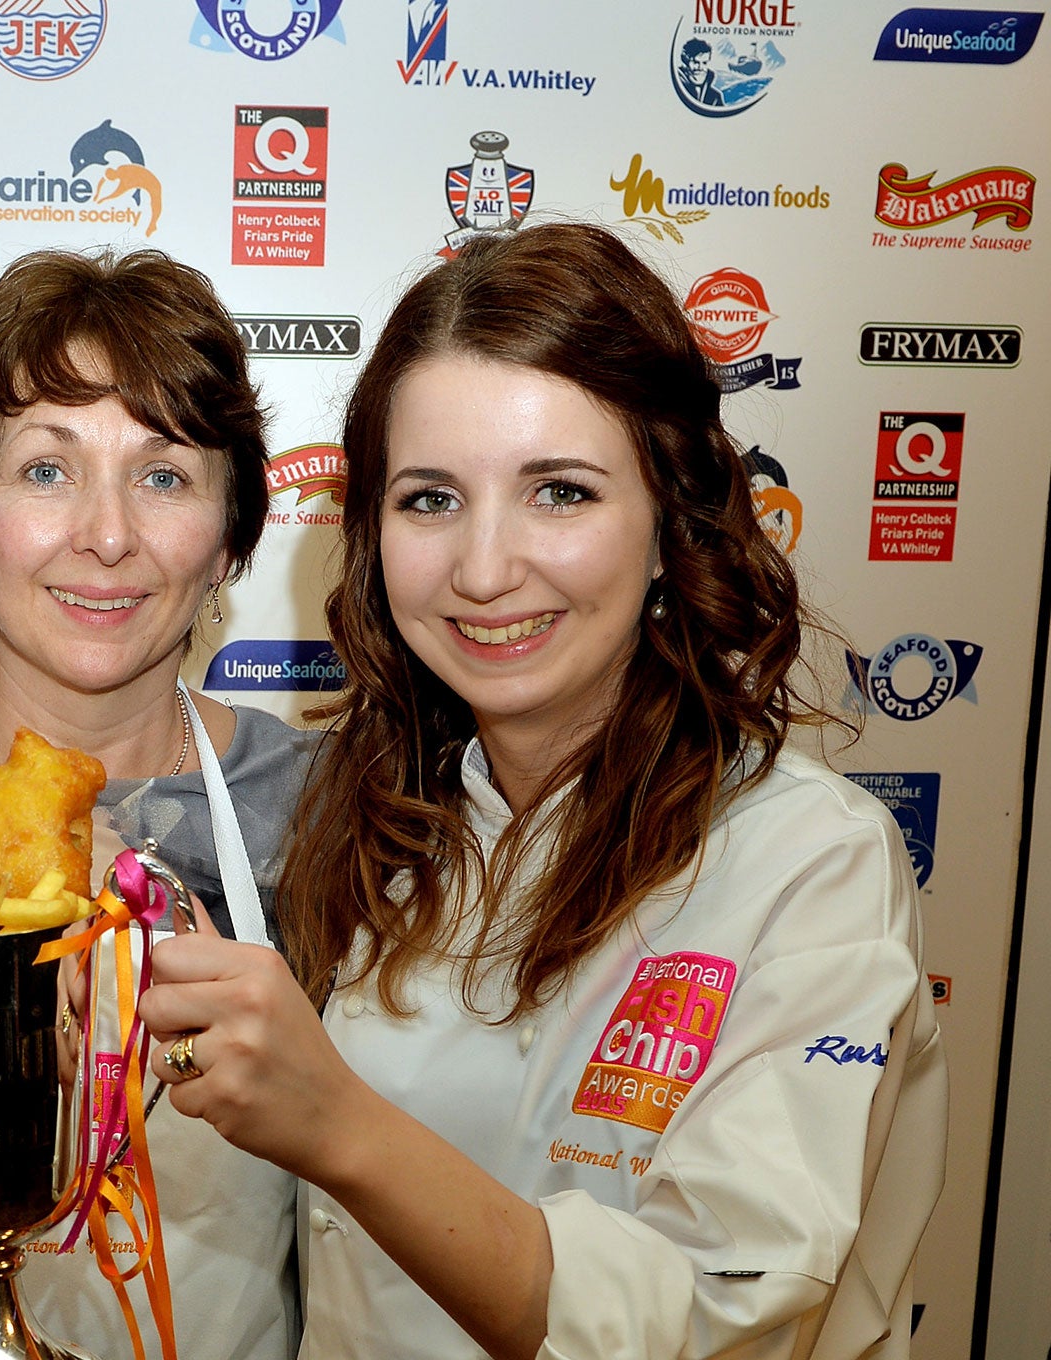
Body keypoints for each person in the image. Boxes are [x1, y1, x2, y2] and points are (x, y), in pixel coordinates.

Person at [135, 223, 947, 1360]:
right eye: (428, 499)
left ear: (669, 520)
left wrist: (338, 1124)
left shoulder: (810, 861)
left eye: (557, 492)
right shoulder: (380, 823)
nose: (480, 568)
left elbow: (714, 1314)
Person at [0, 248, 313, 1359]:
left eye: (164, 474)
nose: (105, 533)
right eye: (46, 470)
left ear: (230, 539)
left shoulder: (327, 817)